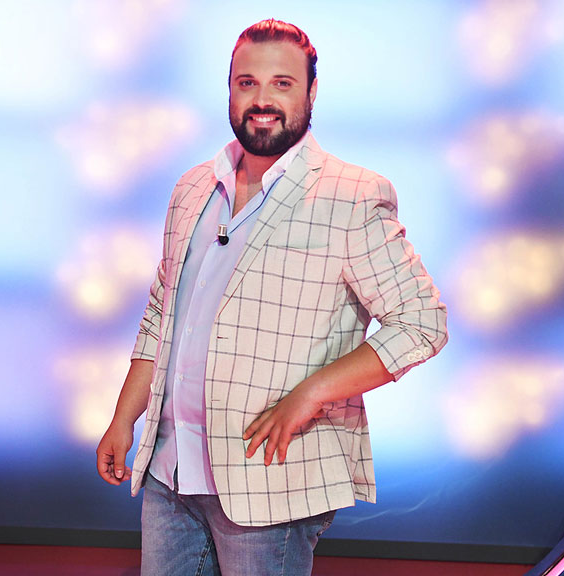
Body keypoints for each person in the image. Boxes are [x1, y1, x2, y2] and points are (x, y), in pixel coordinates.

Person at [96, 19, 447, 576]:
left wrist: (312, 393)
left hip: (269, 478)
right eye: (247, 83)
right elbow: (163, 313)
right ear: (230, 90)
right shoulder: (192, 187)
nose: (262, 100)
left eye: (282, 83)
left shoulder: (352, 195)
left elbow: (422, 322)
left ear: (311, 91)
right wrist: (124, 418)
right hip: (170, 471)